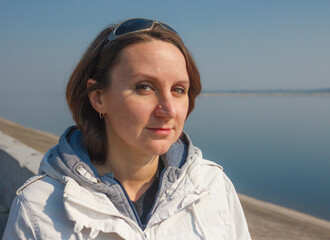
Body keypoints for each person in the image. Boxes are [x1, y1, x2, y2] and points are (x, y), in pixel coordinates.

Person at [3, 18, 251, 240]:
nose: (168, 109)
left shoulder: (212, 186)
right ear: (99, 97)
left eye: (178, 90)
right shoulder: (39, 207)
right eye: (145, 87)